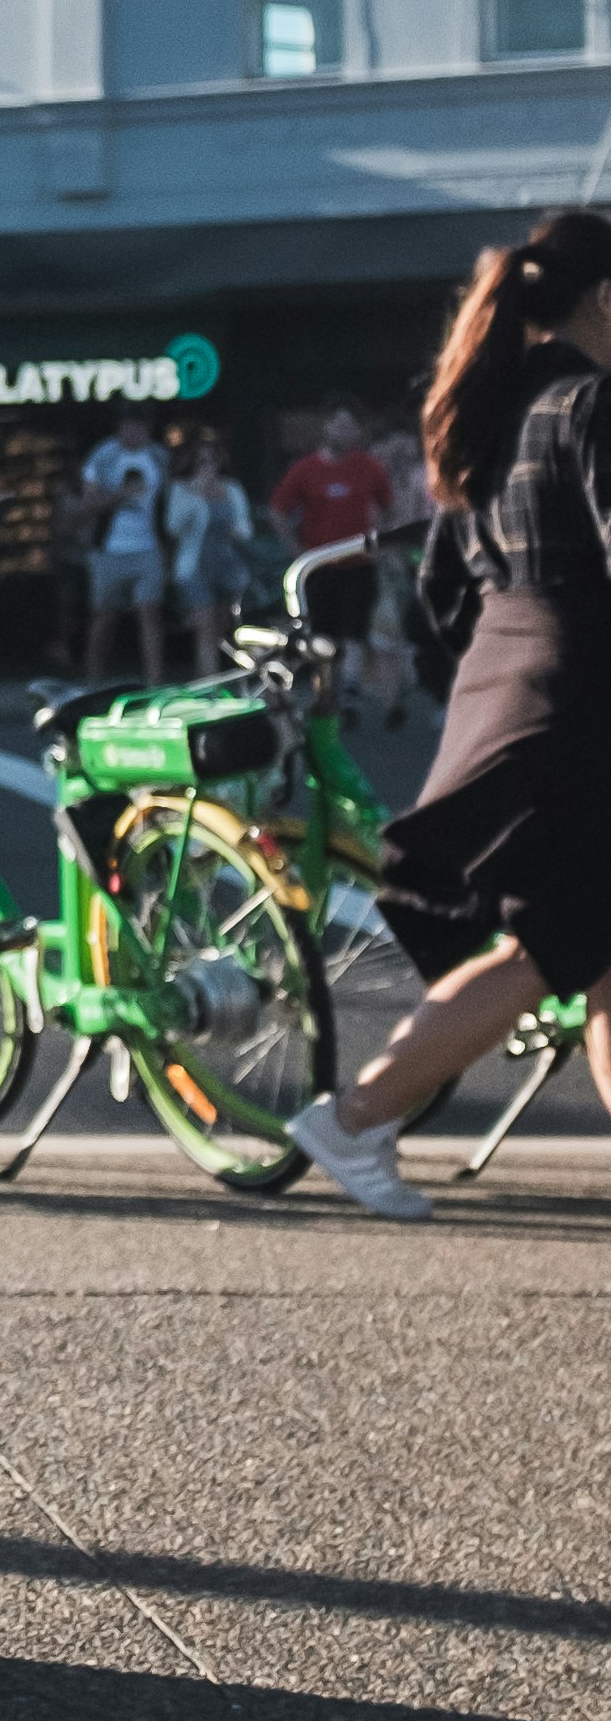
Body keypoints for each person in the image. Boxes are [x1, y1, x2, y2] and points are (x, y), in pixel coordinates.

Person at [290, 211, 611, 1219]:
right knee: (561, 947)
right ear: (605, 298)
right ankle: (350, 1118)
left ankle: (353, 1119)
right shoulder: (590, 404)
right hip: (578, 699)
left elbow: (444, 588)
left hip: (511, 689)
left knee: (572, 947)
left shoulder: (488, 413)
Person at [272, 397, 399, 719]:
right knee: (322, 635)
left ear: (356, 432)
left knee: (354, 630)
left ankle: (351, 690)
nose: (342, 431)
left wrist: (381, 543)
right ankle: (325, 696)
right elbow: (278, 511)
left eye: (349, 426)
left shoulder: (368, 467)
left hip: (358, 562)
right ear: (326, 427)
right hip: (319, 565)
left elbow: (388, 506)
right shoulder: (306, 469)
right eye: (337, 424)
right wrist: (295, 551)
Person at [79, 404, 168, 682]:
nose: (134, 433)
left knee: (150, 612)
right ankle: (93, 680)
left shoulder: (159, 458)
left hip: (149, 547)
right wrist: (121, 494)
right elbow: (88, 503)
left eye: (140, 427)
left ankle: (155, 681)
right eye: (129, 426)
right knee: (104, 616)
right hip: (109, 549)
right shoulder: (103, 457)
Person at [163, 427, 256, 679]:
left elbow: (245, 528)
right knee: (203, 626)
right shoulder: (182, 490)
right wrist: (196, 496)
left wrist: (235, 531)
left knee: (221, 627)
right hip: (196, 567)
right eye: (202, 461)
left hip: (228, 566)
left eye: (212, 460)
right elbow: (173, 526)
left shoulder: (232, 489)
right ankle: (209, 685)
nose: (208, 466)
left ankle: (219, 677)